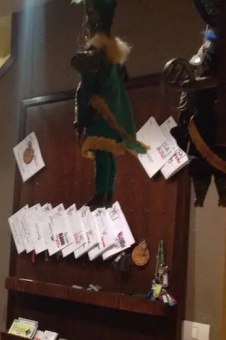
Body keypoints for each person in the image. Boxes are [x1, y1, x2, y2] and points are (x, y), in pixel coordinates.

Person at [71, 0, 147, 208]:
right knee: (108, 155)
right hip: (110, 114)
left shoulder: (96, 55)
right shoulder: (113, 57)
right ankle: (106, 193)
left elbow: (85, 88)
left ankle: (101, 193)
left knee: (103, 156)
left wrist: (81, 119)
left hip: (99, 114)